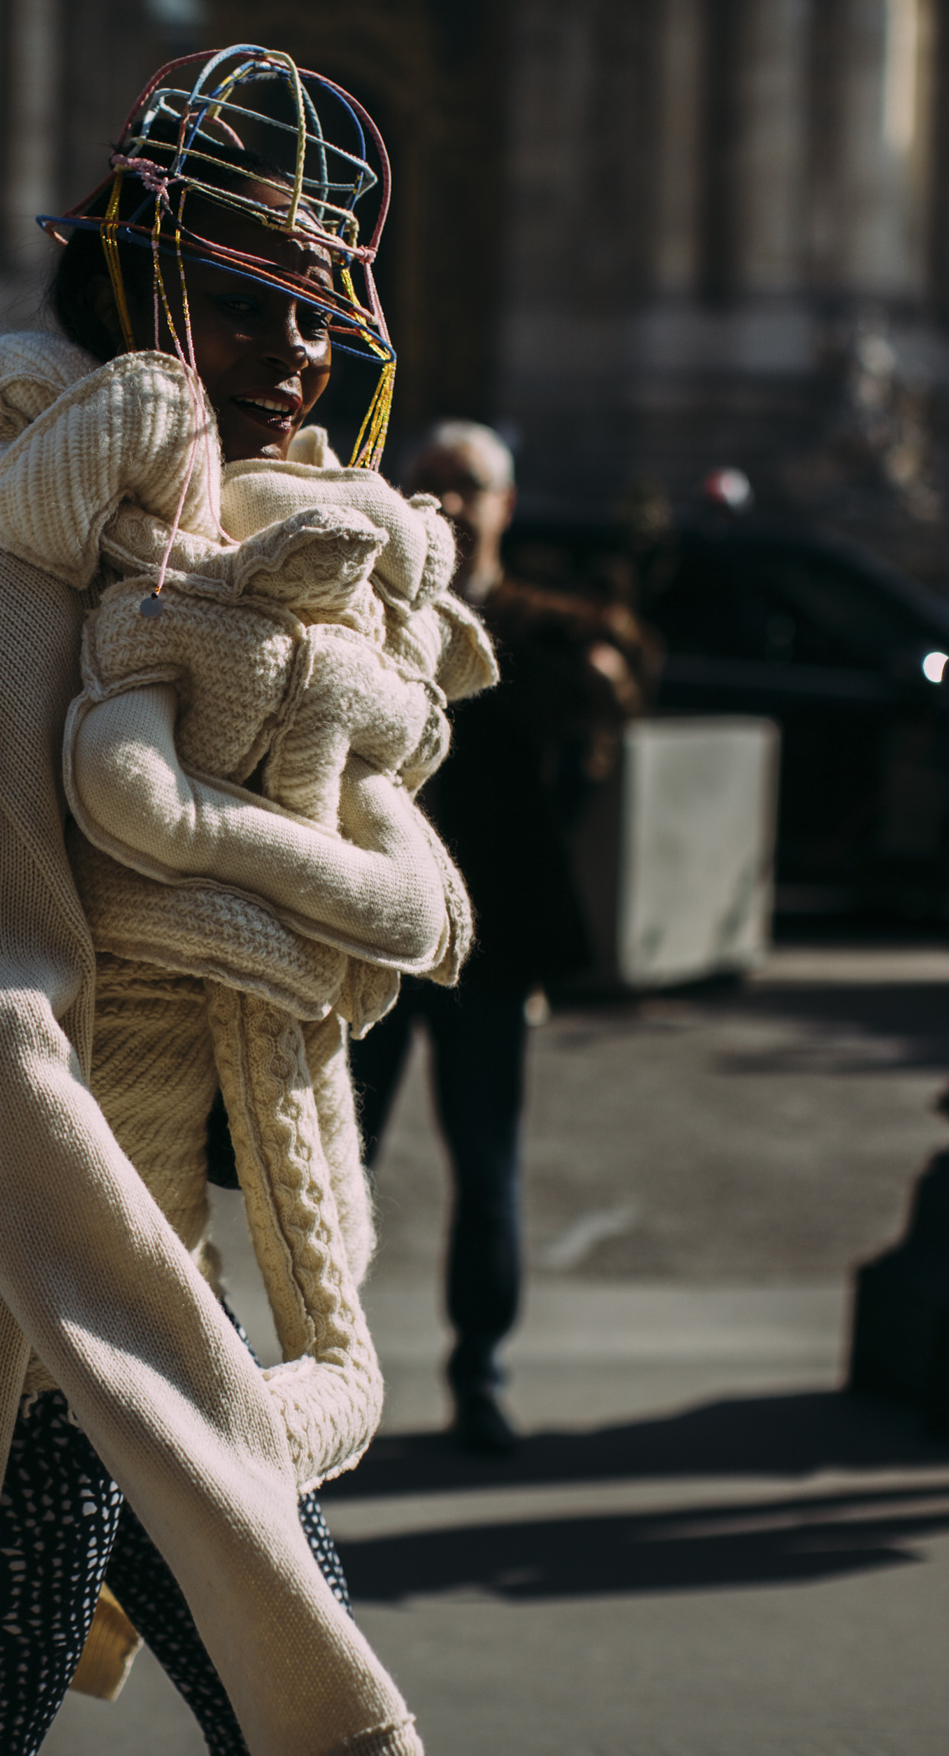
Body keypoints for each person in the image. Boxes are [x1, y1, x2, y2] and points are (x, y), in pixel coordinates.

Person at [0, 50, 432, 1756]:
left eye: (321, 314)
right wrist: (160, 1339)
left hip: (120, 1295)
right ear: (137, 288)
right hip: (19, 1311)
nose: (305, 357)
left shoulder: (204, 574)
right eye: (251, 305)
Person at [345, 422, 603, 1455]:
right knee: (333, 1161)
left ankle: (479, 1371)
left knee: (486, 1166)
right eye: (431, 482)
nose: (449, 501)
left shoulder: (541, 628)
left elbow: (600, 723)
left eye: (471, 485)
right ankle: (330, 1369)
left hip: (487, 948)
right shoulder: (362, 614)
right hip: (369, 934)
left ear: (505, 504)